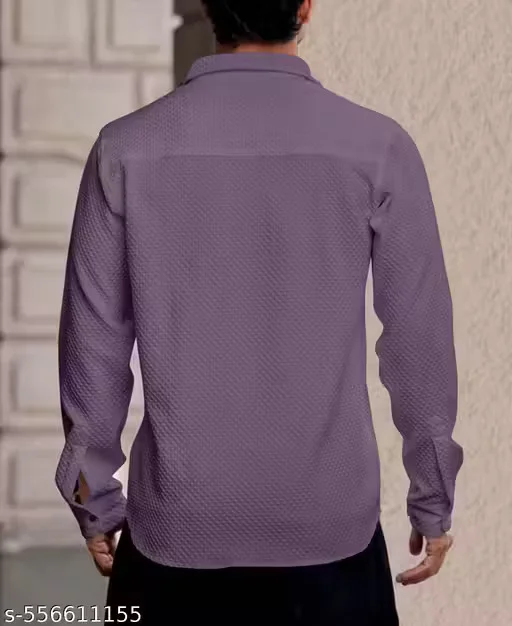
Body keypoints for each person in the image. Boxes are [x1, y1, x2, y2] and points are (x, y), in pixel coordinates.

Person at [55, 1, 464, 624]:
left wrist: (95, 499)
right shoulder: (377, 147)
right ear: (306, 6)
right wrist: (431, 497)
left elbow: (92, 344)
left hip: (177, 530)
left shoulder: (126, 148)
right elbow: (418, 336)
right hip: (329, 531)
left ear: (208, 5)